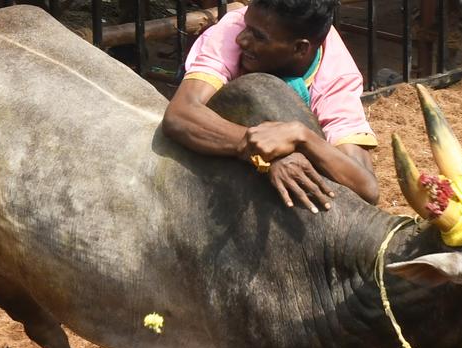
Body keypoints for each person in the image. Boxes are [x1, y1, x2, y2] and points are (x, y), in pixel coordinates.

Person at [161, 0, 379, 213]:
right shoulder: (231, 30)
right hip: (221, 122)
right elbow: (180, 115)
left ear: (300, 48)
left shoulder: (336, 75)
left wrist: (301, 136)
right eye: (247, 27)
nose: (242, 39)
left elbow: (367, 188)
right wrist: (265, 150)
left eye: (258, 36)